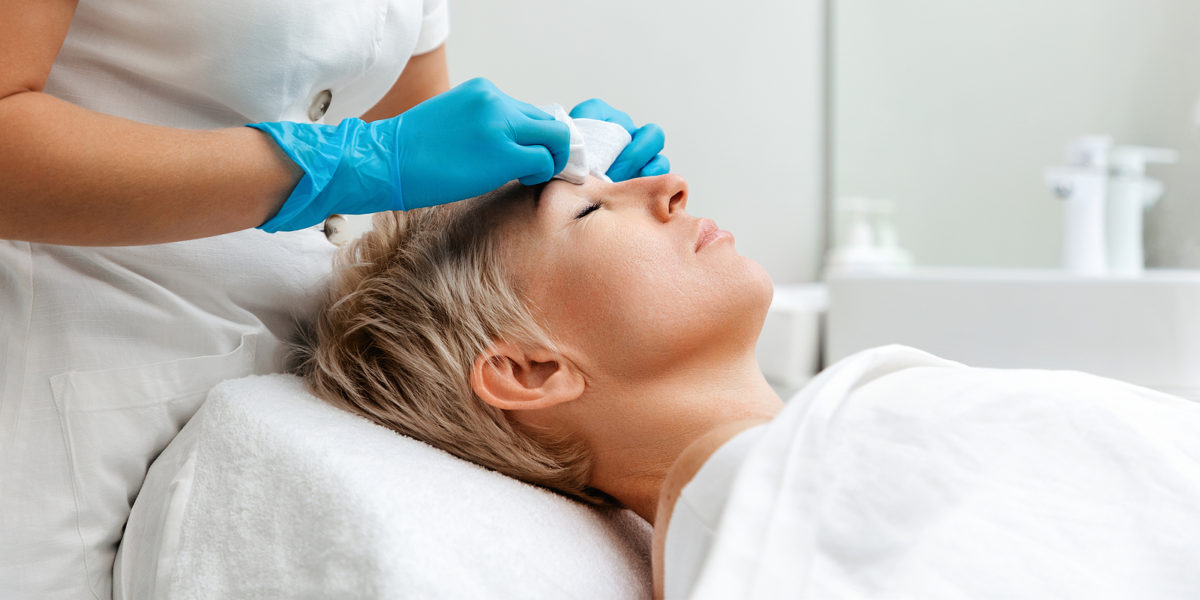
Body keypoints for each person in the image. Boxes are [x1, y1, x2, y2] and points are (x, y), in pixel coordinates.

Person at [0, 0, 665, 596]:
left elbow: (406, 114)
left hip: (290, 405)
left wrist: (553, 163)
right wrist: (352, 162)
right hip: (70, 394)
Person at [299, 174, 1200, 599]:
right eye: (587, 208)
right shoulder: (756, 518)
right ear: (531, 368)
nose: (667, 185)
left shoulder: (811, 461)